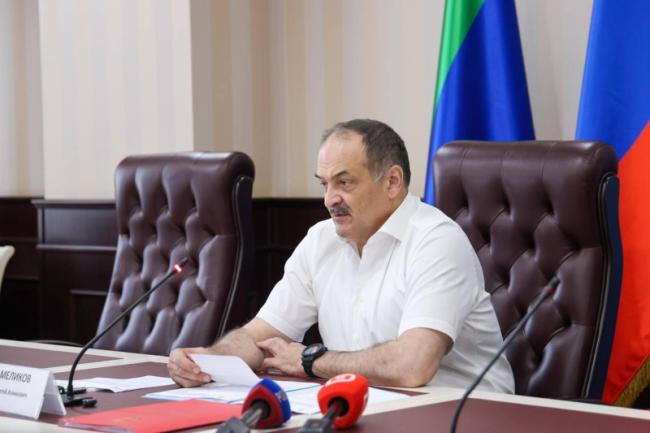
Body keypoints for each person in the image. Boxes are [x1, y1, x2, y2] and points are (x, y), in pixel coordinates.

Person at [168, 119, 514, 392]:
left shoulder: (436, 241)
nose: (329, 199)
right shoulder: (320, 241)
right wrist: (209, 360)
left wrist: (310, 360)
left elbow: (412, 366)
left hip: (465, 413)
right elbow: (260, 336)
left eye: (344, 183)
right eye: (325, 184)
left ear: (392, 182)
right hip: (367, 408)